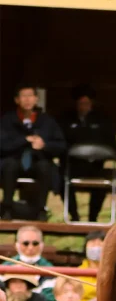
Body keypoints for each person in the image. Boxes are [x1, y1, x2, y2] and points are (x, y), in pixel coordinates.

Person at [1, 84, 65, 220]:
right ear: (17, 100)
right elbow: (2, 144)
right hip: (13, 162)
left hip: (38, 161)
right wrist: (24, 140)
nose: (27, 100)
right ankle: (6, 209)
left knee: (45, 167)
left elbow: (61, 145)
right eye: (24, 96)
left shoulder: (47, 121)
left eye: (30, 96)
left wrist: (44, 145)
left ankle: (41, 210)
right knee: (9, 165)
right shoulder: (7, 120)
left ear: (36, 99)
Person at [58, 84, 116, 222]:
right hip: (72, 166)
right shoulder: (66, 120)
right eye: (81, 103)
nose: (84, 106)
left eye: (87, 103)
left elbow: (112, 146)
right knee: (60, 179)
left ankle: (93, 218)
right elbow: (60, 144)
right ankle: (74, 216)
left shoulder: (102, 120)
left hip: (95, 166)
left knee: (103, 181)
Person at [4, 225, 56, 301]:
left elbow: (50, 299)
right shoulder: (5, 267)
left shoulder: (50, 270)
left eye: (35, 243)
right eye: (26, 243)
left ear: (42, 245)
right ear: (17, 245)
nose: (30, 247)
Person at [78, 231, 104, 301]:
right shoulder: (77, 272)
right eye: (92, 244)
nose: (96, 247)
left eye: (100, 244)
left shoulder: (115, 272)